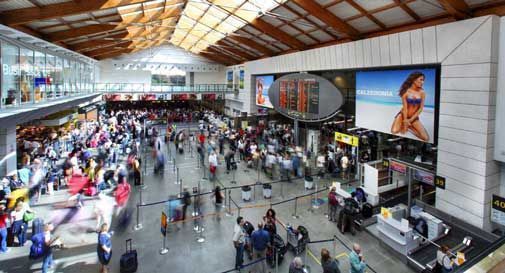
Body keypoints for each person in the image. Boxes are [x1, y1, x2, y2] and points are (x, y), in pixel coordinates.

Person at [390, 71, 429, 142]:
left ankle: (410, 127)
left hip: (414, 117)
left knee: (425, 138)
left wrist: (410, 121)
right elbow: (405, 108)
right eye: (421, 79)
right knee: (394, 131)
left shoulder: (422, 92)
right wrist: (405, 122)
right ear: (414, 80)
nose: (422, 82)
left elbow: (420, 109)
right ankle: (403, 124)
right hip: (403, 115)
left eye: (423, 80)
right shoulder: (406, 92)